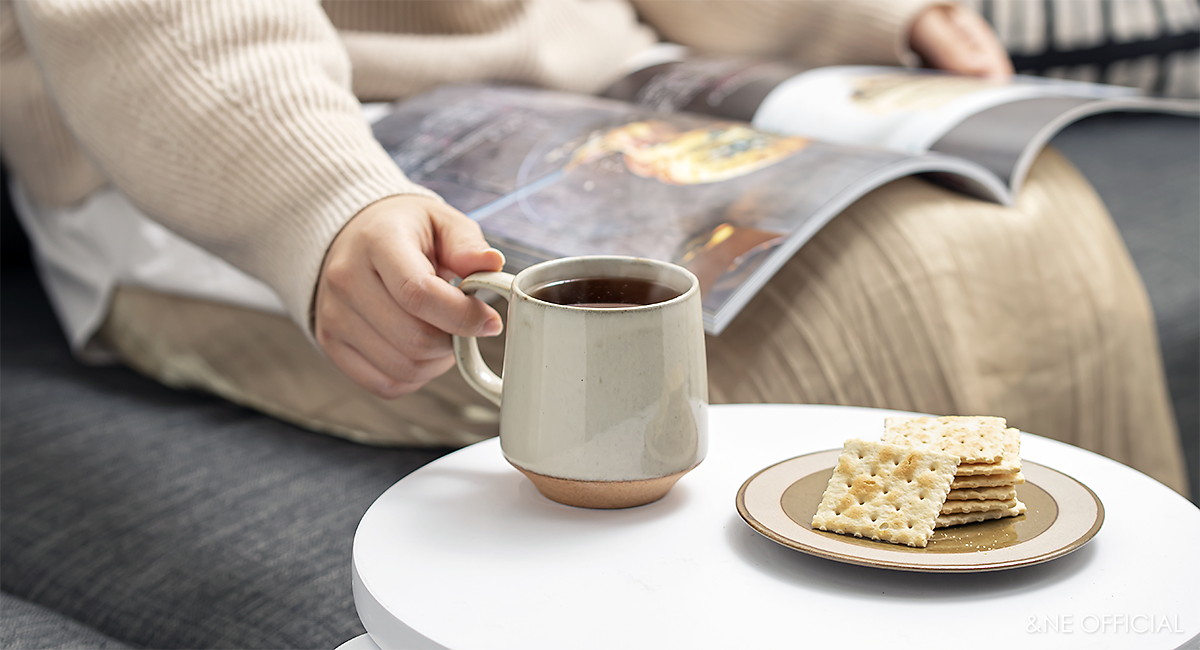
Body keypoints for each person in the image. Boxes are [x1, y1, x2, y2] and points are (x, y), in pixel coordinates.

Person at [0, 1, 1187, 493]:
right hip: (231, 142)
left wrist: (861, 20)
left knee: (1017, 223)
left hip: (586, 77)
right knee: (707, 332)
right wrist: (317, 202)